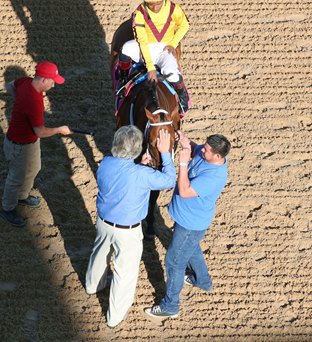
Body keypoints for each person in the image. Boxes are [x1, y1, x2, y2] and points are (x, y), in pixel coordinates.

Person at [85, 125, 176, 328]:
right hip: (127, 231)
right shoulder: (141, 175)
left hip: (103, 222)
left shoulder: (105, 163)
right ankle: (114, 317)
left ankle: (93, 285)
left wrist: (140, 166)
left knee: (99, 254)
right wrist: (164, 153)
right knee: (124, 273)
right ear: (137, 149)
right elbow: (169, 180)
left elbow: (124, 176)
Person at [145, 131, 231, 319]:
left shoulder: (214, 177)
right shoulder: (207, 153)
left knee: (174, 262)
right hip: (188, 219)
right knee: (191, 248)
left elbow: (184, 191)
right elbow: (195, 148)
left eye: (207, 150)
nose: (202, 151)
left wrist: (182, 163)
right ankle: (203, 281)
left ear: (218, 156)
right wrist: (185, 141)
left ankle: (170, 306)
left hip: (191, 223)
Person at [0, 62, 72, 228]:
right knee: (15, 178)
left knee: (34, 168)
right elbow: (40, 131)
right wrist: (60, 130)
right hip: (19, 146)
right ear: (43, 79)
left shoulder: (26, 81)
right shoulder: (34, 102)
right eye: (52, 81)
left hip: (29, 142)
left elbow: (10, 86)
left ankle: (22, 196)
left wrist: (18, 100)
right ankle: (7, 208)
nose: (54, 84)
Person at [119, 0, 190, 114]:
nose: (155, 7)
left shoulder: (174, 9)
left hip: (165, 49)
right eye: (151, 4)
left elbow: (185, 25)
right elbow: (142, 40)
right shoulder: (139, 13)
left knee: (174, 76)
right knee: (125, 49)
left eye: (157, 3)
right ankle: (123, 80)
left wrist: (173, 43)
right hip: (145, 47)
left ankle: (182, 96)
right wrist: (150, 68)